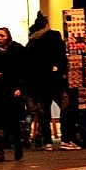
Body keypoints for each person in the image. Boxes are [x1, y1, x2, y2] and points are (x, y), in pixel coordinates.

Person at [0, 25, 29, 160]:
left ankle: (18, 146)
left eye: (2, 36)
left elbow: (23, 70)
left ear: (8, 37)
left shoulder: (17, 50)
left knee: (12, 121)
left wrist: (20, 88)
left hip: (11, 89)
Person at [25, 13, 68, 148]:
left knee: (44, 111)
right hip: (54, 79)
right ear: (46, 25)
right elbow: (61, 56)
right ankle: (66, 139)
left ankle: (47, 141)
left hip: (39, 82)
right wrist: (62, 70)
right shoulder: (54, 36)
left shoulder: (31, 42)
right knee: (65, 107)